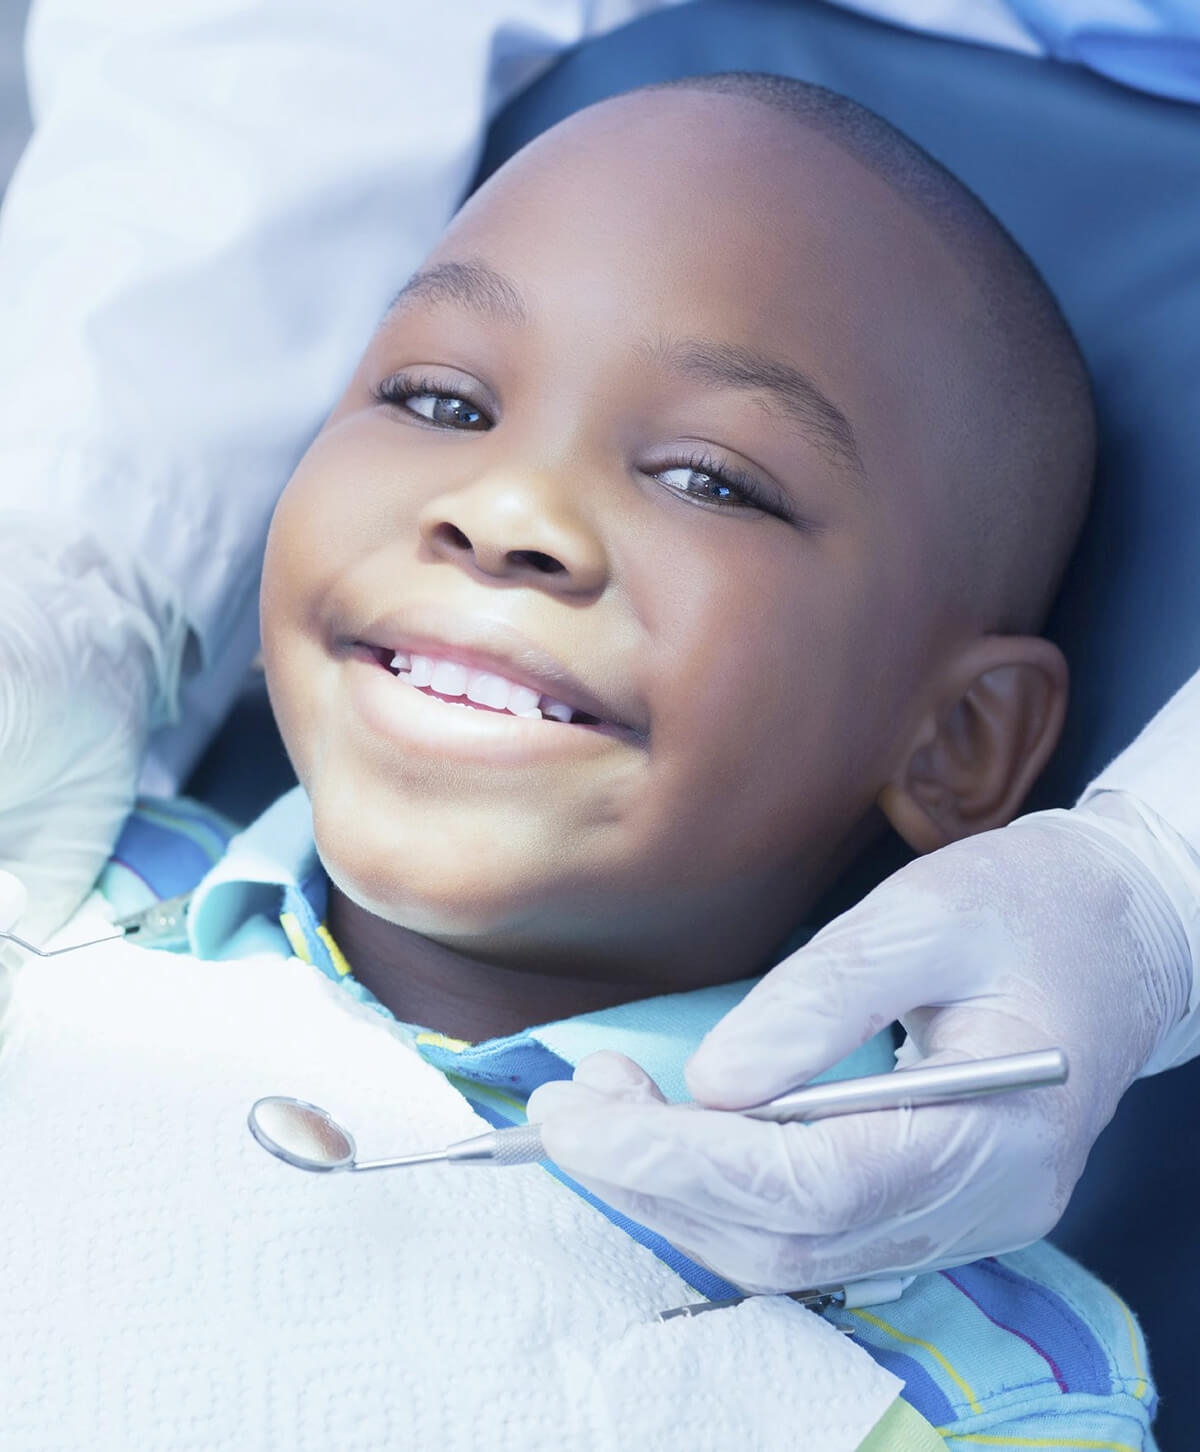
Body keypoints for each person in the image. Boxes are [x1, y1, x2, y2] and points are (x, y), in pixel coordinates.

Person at [15, 74, 1162, 1449]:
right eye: (439, 402)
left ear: (957, 741)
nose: (506, 512)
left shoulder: (977, 1388)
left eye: (709, 481)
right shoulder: (48, 894)